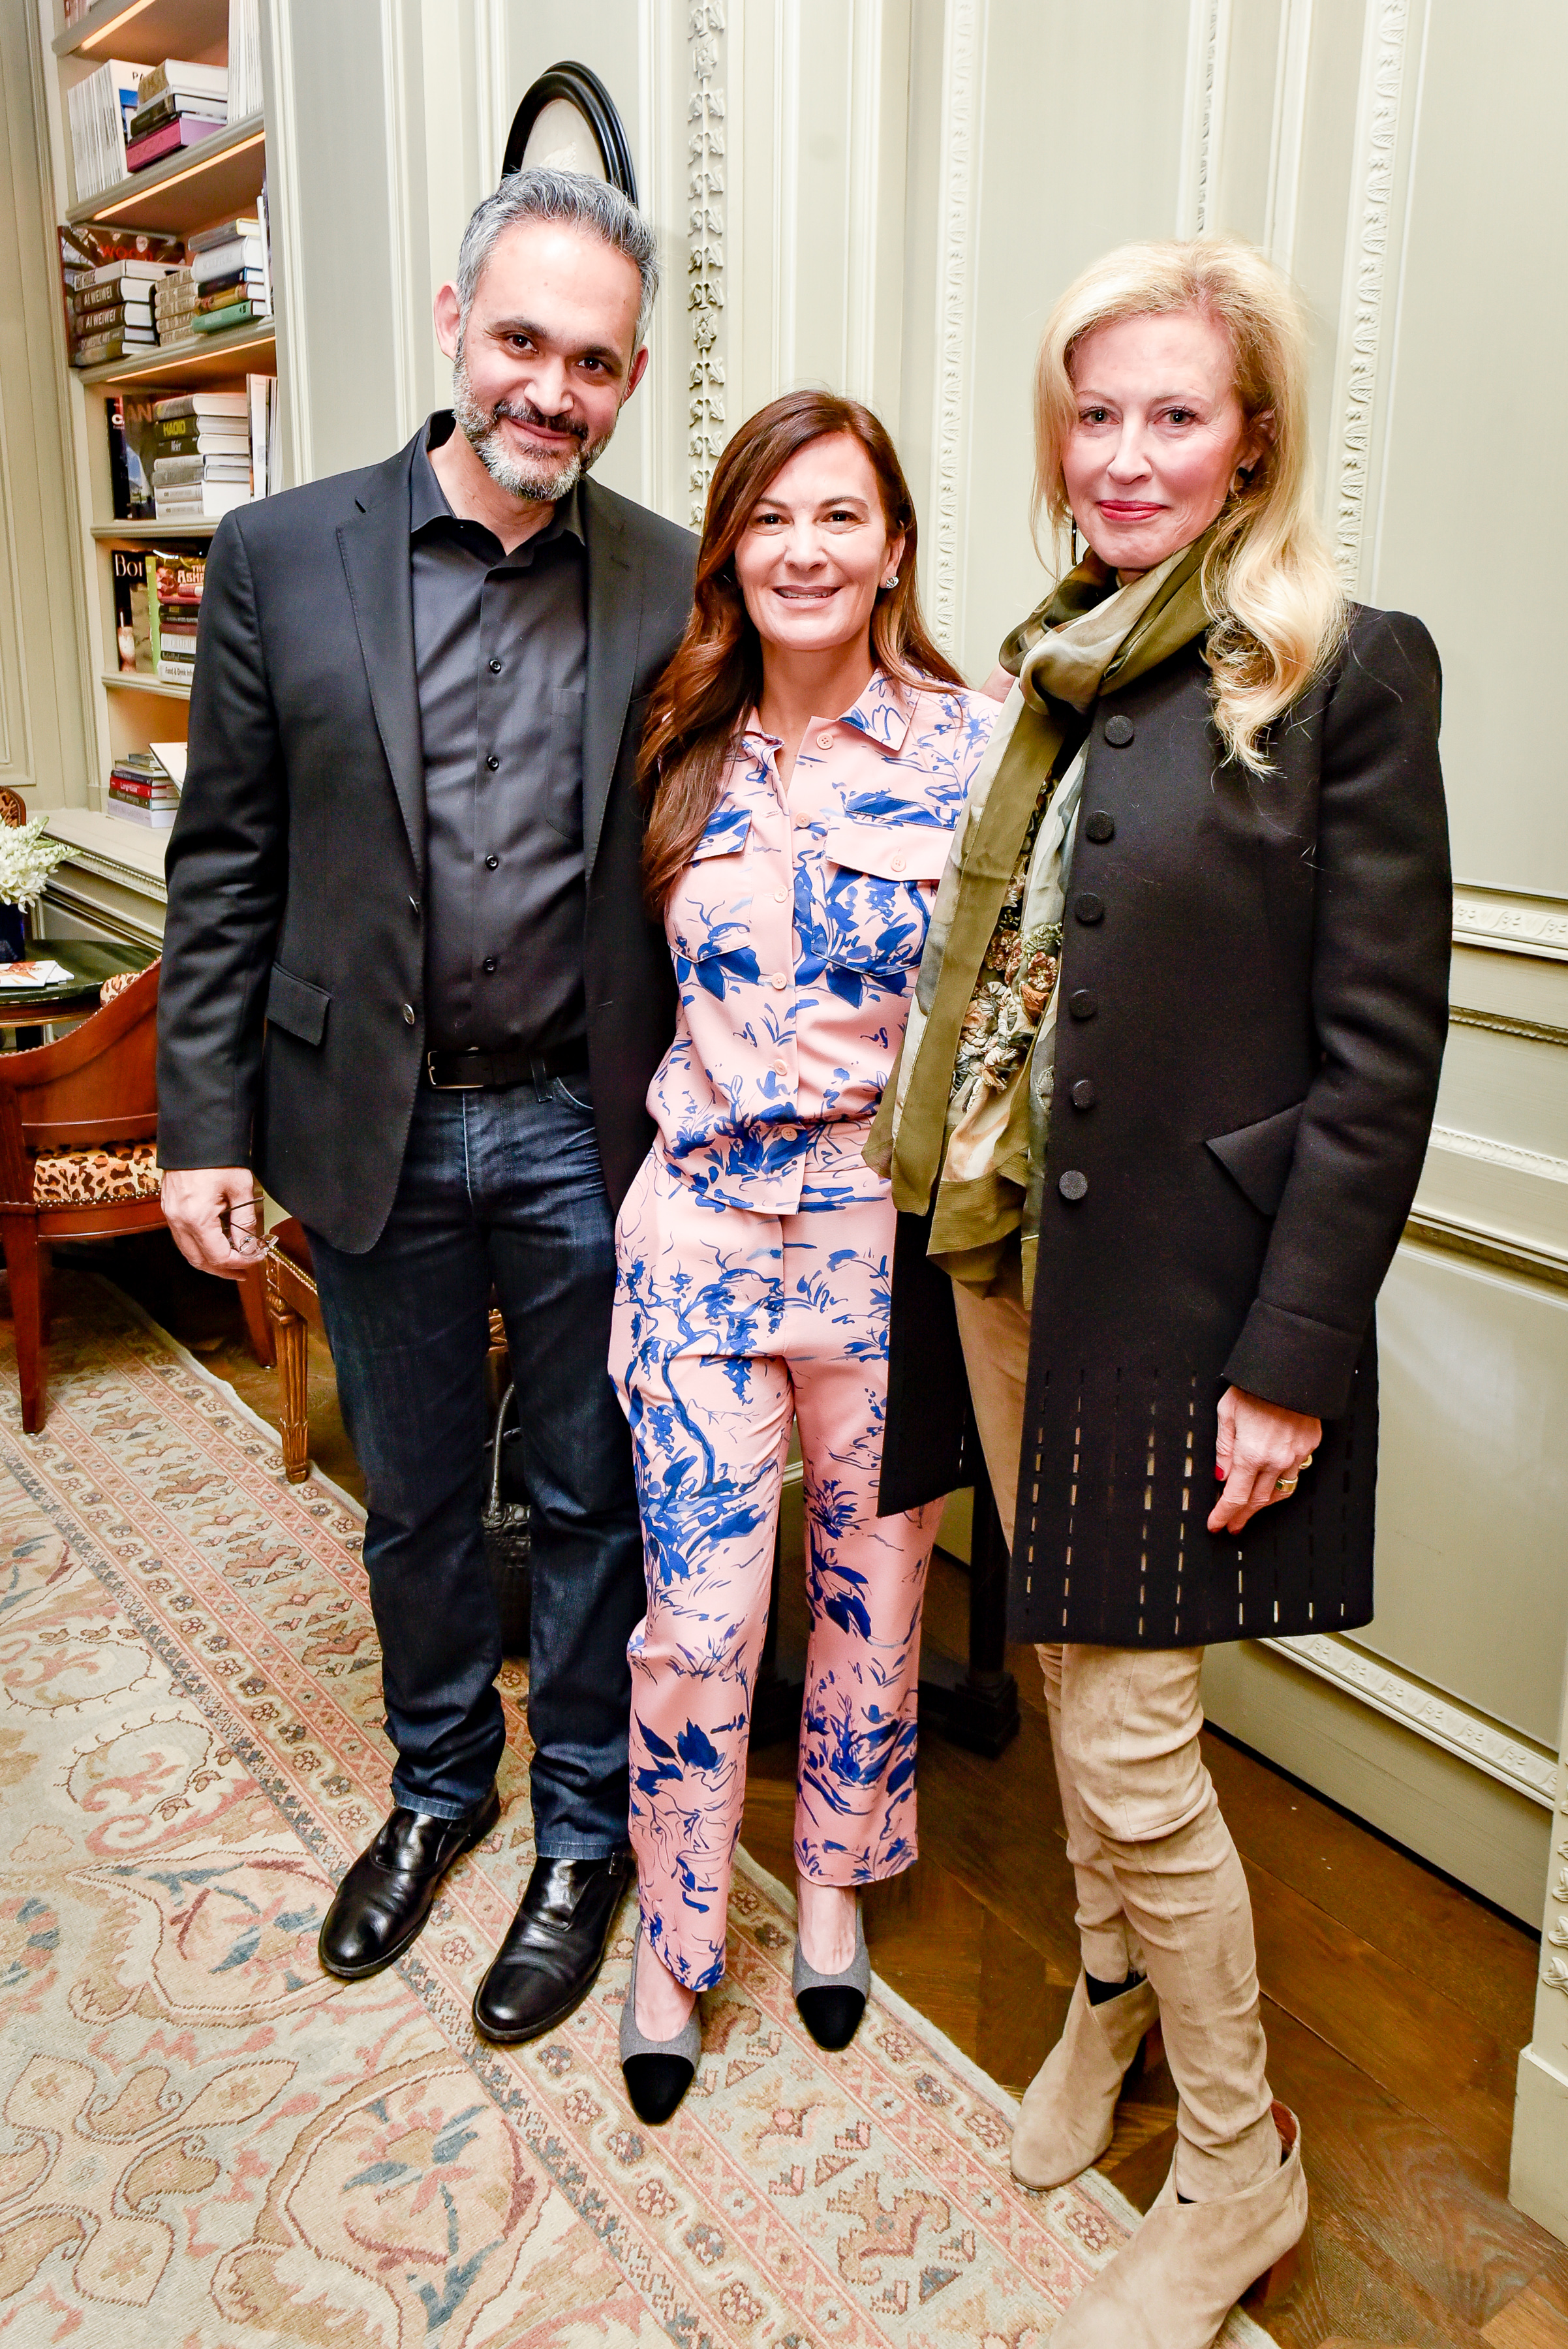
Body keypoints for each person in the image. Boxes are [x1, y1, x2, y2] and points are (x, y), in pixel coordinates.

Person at [869, 237, 1449, 2346]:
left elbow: (1379, 1060)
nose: (1123, 454)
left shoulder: (1346, 668)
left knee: (1126, 1747)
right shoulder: (1058, 658)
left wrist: (1287, 1363)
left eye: (1171, 415)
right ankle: (1108, 2006)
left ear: (1251, 437)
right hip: (1005, 1262)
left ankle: (1237, 2167)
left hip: (1188, 1305)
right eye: (1092, 414)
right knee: (1059, 1688)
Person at [157, 169, 696, 2044]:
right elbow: (223, 865)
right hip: (363, 1118)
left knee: (585, 1495)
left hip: (578, 1124)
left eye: (596, 363)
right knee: (411, 1504)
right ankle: (438, 1792)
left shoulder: (672, 574)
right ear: (454, 317)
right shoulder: (281, 556)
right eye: (525, 341)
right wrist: (204, 1128)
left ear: (631, 380)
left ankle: (578, 1835)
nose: (554, 387)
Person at [609, 392, 997, 2125]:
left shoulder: (973, 746)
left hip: (876, 1242)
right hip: (694, 1233)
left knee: (872, 1591)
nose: (805, 550)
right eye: (771, 516)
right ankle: (672, 1935)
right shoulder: (675, 739)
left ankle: (835, 1883)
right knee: (695, 1624)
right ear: (730, 548)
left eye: (840, 516)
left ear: (892, 547)